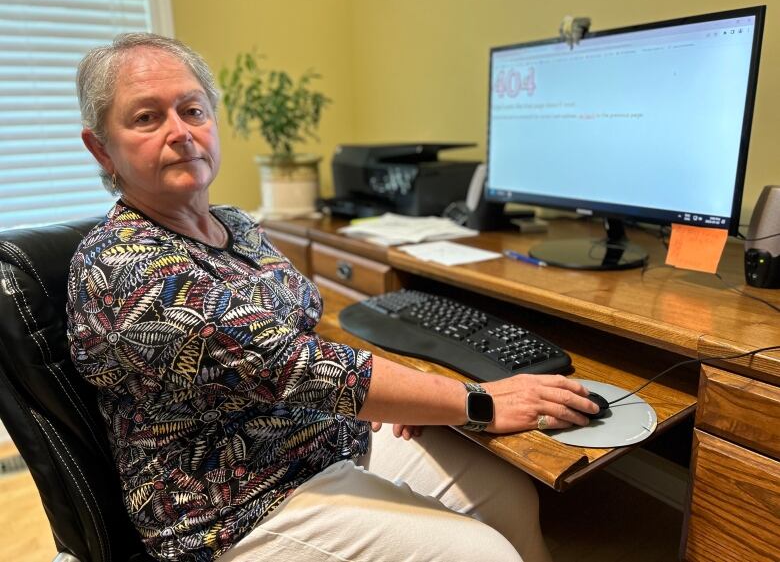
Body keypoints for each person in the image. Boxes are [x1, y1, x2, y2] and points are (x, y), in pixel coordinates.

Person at [66, 33, 599, 562]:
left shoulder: (232, 225)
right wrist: (474, 401)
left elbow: (307, 328)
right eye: (146, 118)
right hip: (232, 506)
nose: (180, 133)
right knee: (483, 554)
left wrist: (405, 396)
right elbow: (295, 364)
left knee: (507, 497)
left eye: (193, 110)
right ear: (101, 147)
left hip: (325, 439)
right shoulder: (121, 263)